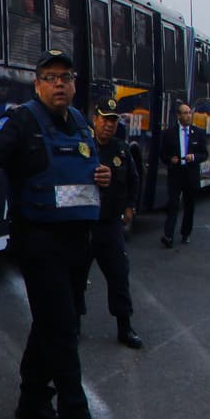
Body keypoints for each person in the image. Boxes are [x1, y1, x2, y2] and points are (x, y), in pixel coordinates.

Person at [0, 49, 113, 419]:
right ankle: (76, 416)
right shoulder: (21, 120)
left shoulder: (80, 122)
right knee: (62, 325)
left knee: (55, 320)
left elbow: (87, 171)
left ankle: (32, 399)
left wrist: (103, 174)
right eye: (50, 77)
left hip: (78, 240)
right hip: (39, 240)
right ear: (38, 84)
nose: (59, 83)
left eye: (66, 76)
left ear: (75, 84)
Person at [88, 99, 143, 349]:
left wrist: (131, 207)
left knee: (119, 276)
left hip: (110, 225)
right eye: (105, 119)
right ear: (95, 119)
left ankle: (125, 327)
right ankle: (73, 326)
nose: (109, 125)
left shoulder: (121, 150)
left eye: (113, 120)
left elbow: (134, 180)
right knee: (75, 277)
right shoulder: (83, 149)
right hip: (85, 226)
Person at [159, 101, 207, 248]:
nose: (188, 116)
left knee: (189, 205)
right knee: (173, 204)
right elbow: (163, 155)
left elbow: (204, 154)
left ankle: (185, 233)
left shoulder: (198, 133)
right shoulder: (169, 134)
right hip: (176, 173)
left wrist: (194, 157)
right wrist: (170, 160)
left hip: (191, 173)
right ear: (178, 116)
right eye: (185, 113)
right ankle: (168, 235)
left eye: (189, 113)